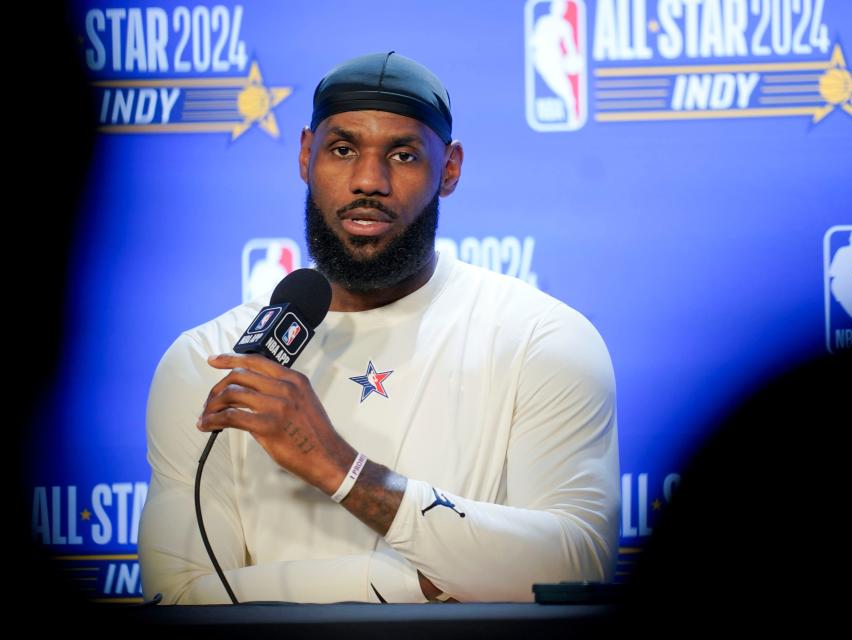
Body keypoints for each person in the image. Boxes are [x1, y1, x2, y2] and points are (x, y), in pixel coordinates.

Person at [137, 51, 620, 605]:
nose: (369, 180)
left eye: (404, 154)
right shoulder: (213, 359)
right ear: (304, 155)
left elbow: (572, 567)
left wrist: (342, 469)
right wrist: (427, 582)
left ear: (451, 169)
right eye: (342, 150)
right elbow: (178, 600)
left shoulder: (543, 339)